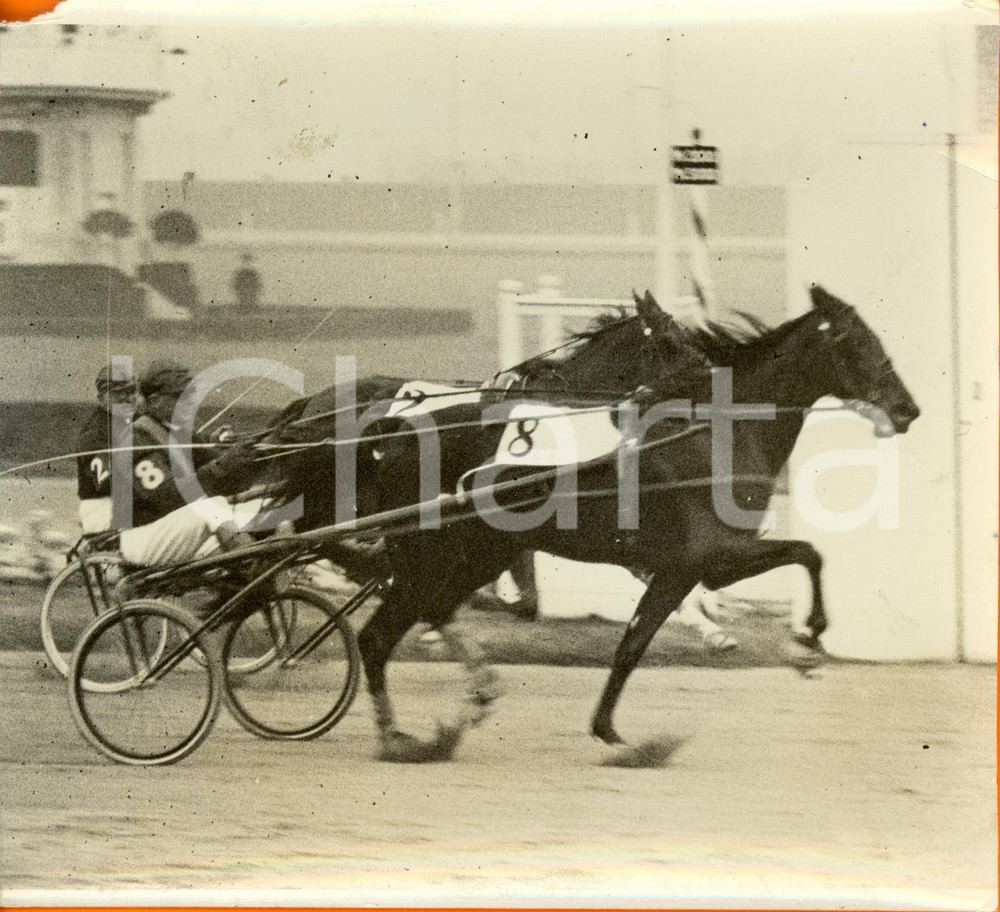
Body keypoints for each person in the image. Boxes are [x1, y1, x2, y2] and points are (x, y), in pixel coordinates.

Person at [75, 364, 141, 535]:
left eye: (131, 391)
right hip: (102, 506)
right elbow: (107, 482)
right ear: (102, 398)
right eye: (119, 393)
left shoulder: (138, 420)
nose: (128, 397)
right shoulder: (94, 434)